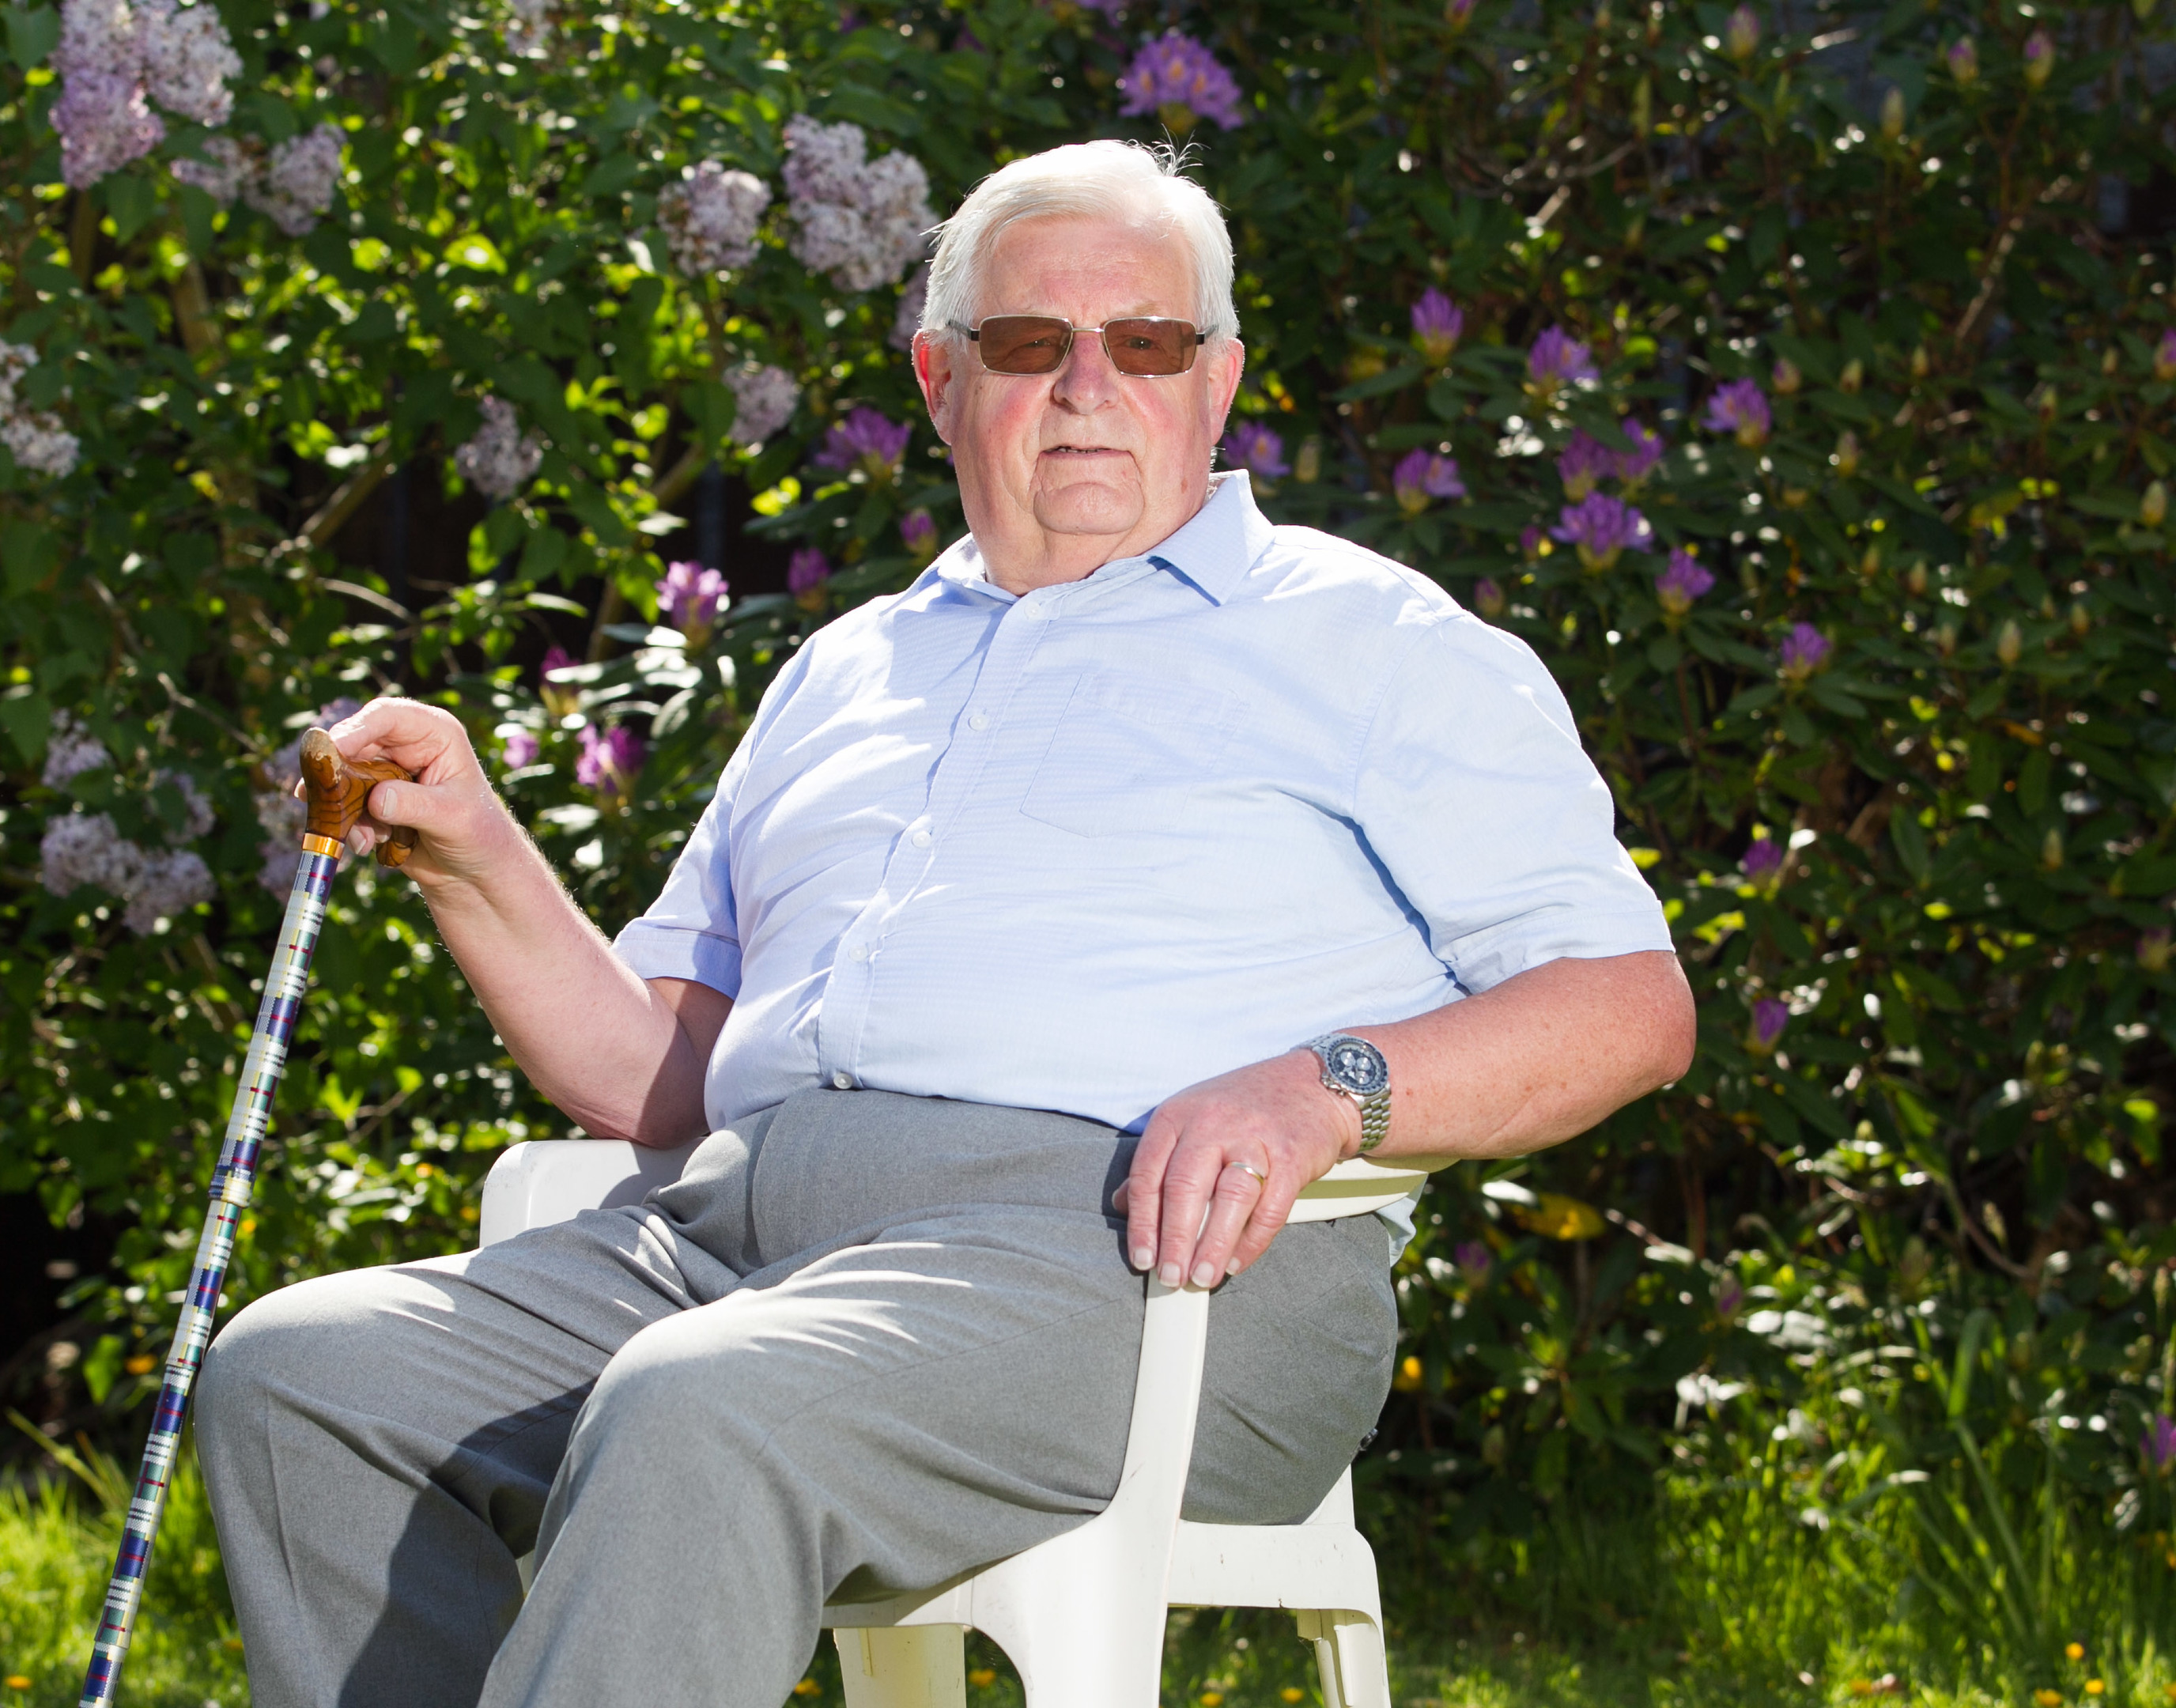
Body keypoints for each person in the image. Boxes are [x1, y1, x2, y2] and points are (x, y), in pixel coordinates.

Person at [197, 139, 1694, 1708]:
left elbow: (1628, 1005)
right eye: (1033, 343)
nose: (1089, 384)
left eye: (1150, 342)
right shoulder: (846, 671)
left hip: (1143, 1273)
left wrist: (1325, 1086)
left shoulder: (1368, 639)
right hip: (738, 1242)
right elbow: (653, 1080)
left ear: (1220, 378)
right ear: (939, 375)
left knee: (704, 1407)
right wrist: (470, 851)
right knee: (306, 1381)